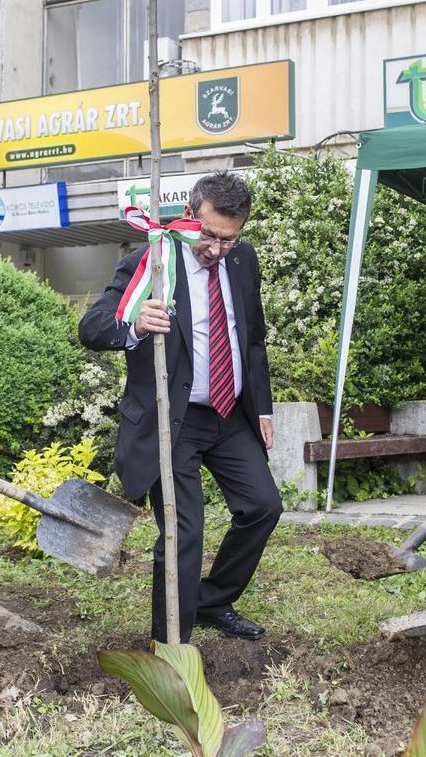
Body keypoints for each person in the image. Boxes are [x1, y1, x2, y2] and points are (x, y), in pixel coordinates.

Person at [79, 172, 281, 644]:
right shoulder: (150, 261)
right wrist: (134, 323)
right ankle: (172, 640)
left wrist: (264, 410)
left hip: (229, 415)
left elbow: (252, 339)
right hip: (173, 420)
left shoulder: (243, 261)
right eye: (208, 236)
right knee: (184, 531)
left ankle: (211, 600)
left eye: (228, 240)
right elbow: (92, 327)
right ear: (189, 216)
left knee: (263, 507)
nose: (216, 249)